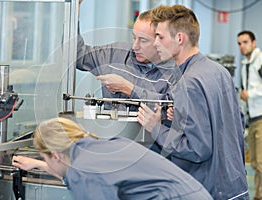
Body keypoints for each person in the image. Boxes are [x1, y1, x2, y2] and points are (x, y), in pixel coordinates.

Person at [137, 4, 249, 199]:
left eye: (160, 37)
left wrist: (156, 127)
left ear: (180, 38)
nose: (155, 43)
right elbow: (235, 123)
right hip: (235, 184)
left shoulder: (187, 83)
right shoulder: (219, 71)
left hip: (210, 190)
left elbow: (197, 149)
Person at [12, 117, 212, 200]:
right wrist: (38, 164)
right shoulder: (110, 146)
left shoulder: (83, 170)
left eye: (45, 159)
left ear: (55, 155)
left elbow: (83, 175)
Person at [77, 1, 178, 111]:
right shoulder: (114, 54)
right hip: (109, 128)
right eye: (134, 38)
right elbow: (78, 57)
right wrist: (75, 8)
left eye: (143, 40)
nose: (135, 46)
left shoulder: (175, 73)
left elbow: (173, 110)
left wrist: (129, 88)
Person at [238, 30, 262, 200]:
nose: (242, 46)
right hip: (252, 118)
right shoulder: (245, 64)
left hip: (261, 117)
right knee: (254, 162)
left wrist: (250, 94)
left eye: (245, 42)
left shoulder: (259, 61)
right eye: (239, 43)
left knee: (260, 162)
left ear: (254, 43)